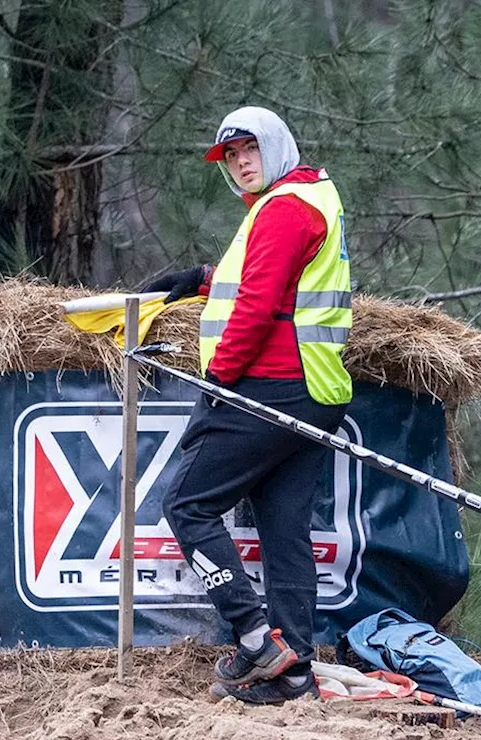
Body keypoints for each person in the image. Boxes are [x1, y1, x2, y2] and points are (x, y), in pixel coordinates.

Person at [157, 106, 352, 704]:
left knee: (186, 505)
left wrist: (217, 379)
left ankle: (253, 637)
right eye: (231, 157)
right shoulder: (308, 196)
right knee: (284, 529)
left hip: (267, 385)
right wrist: (200, 276)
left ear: (275, 146)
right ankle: (293, 674)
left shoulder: (285, 209)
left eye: (249, 150)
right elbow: (264, 276)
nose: (241, 164)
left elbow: (259, 304)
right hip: (315, 391)